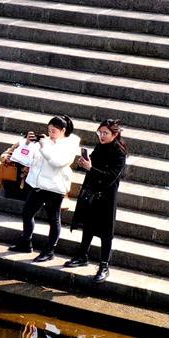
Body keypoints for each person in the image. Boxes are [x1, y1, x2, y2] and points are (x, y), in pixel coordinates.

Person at [5, 116, 81, 263]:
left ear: (63, 130)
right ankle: (26, 241)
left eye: (53, 131)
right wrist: (28, 143)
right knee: (27, 212)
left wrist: (44, 147)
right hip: (38, 184)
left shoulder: (68, 146)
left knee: (53, 219)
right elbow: (26, 159)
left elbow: (57, 163)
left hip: (54, 187)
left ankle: (49, 250)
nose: (50, 133)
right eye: (49, 130)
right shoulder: (45, 141)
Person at [64, 119, 128, 283]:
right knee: (88, 226)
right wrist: (83, 163)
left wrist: (90, 168)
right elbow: (92, 162)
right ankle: (82, 255)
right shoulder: (100, 146)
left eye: (105, 133)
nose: (102, 136)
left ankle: (104, 265)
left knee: (106, 233)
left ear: (115, 134)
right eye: (100, 132)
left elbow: (111, 177)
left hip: (107, 196)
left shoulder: (120, 152)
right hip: (92, 192)